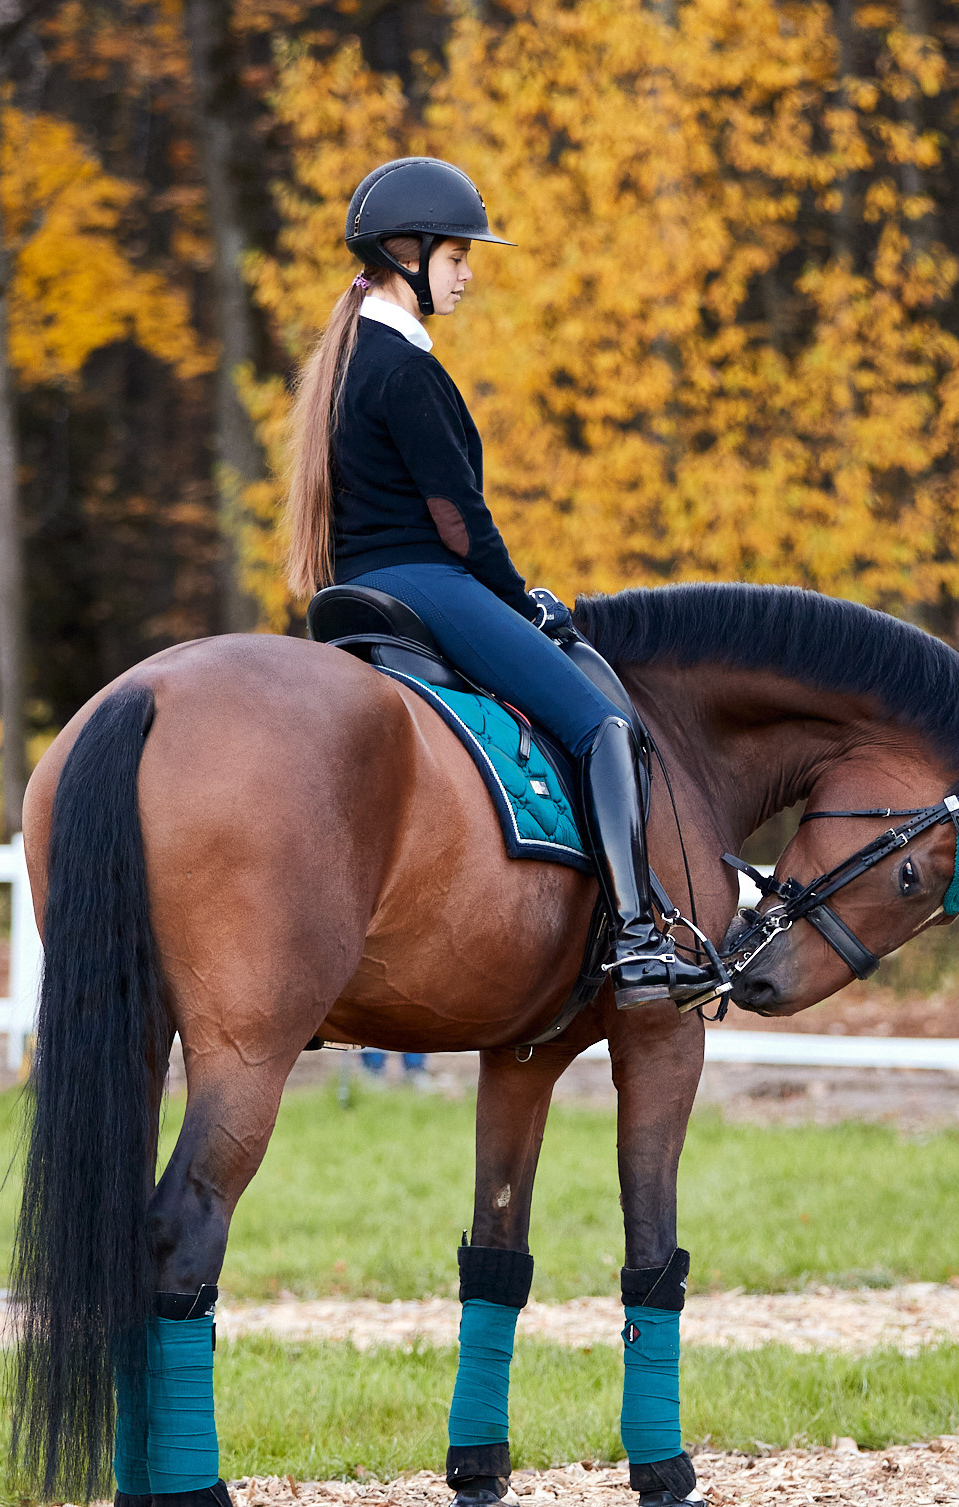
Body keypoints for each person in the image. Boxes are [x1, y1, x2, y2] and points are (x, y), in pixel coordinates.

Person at [284, 156, 721, 1011]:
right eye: (456, 259)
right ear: (407, 256)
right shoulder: (406, 370)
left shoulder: (348, 360)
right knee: (600, 720)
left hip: (356, 586)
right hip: (427, 580)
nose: (468, 275)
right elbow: (459, 522)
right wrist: (526, 604)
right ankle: (636, 936)